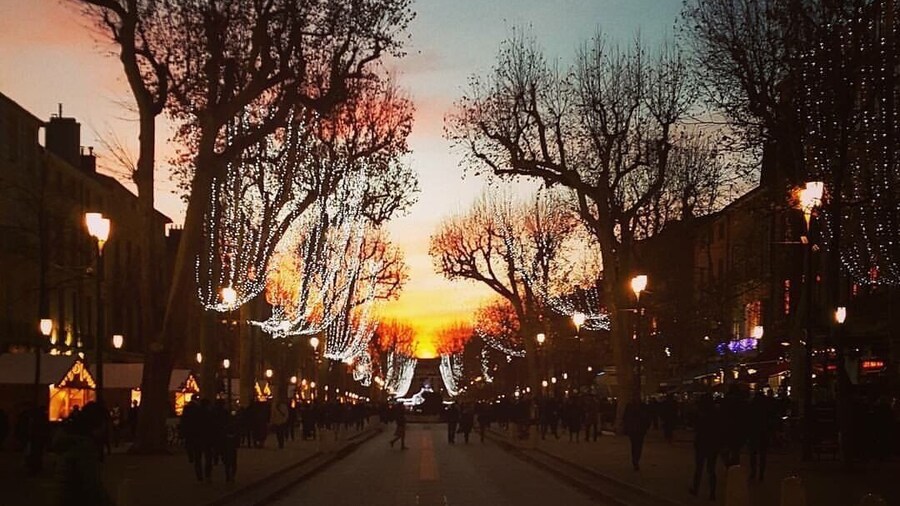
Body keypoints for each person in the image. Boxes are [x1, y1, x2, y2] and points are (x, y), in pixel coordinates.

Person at [689, 394, 721, 501]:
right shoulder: (716, 413)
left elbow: (694, 425)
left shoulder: (700, 414)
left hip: (702, 443)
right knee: (711, 469)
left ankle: (696, 488)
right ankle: (712, 493)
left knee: (699, 468)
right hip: (713, 444)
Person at [747, 388, 775, 481]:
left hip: (753, 432)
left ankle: (753, 472)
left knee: (753, 454)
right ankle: (761, 474)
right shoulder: (767, 408)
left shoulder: (752, 407)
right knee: (762, 454)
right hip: (764, 432)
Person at [623, 397, 650, 471]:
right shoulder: (630, 406)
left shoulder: (643, 406)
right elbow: (625, 417)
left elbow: (647, 417)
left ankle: (636, 459)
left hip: (640, 429)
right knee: (635, 445)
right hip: (633, 429)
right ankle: (635, 460)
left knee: (639, 445)